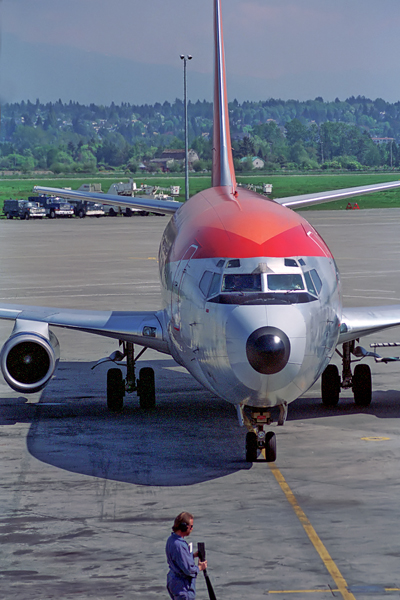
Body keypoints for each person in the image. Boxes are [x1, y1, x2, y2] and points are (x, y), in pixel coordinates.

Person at [166, 511, 207, 600]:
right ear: (184, 527)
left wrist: (192, 555)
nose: (192, 529)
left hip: (173, 581)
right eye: (191, 526)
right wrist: (200, 568)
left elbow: (178, 558)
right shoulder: (179, 545)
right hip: (183, 586)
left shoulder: (171, 539)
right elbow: (188, 570)